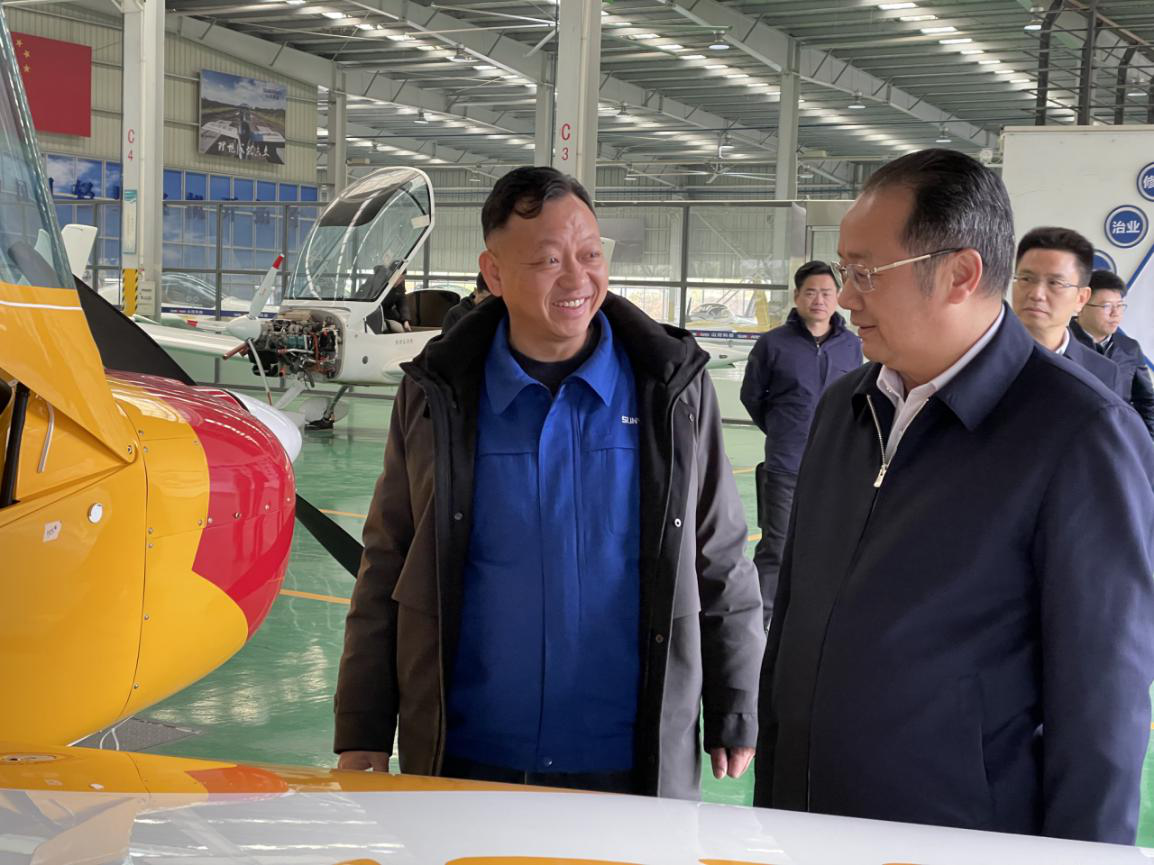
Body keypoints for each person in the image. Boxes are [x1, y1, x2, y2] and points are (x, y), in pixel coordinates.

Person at [754, 148, 1154, 845]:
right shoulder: (845, 406)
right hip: (805, 824)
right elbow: (791, 619)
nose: (845, 297)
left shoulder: (1079, 434)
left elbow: (1101, 707)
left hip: (956, 837)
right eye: (844, 271)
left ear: (961, 274)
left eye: (865, 273)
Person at [335, 166, 763, 799]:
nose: (577, 279)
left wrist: (735, 698)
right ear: (493, 273)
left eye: (590, 255)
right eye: (548, 260)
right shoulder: (438, 395)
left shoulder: (670, 391)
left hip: (630, 756)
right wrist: (363, 719)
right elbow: (388, 557)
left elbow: (718, 550)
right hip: (468, 752)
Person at [739, 261, 861, 629]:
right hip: (785, 464)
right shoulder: (773, 344)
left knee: (826, 545)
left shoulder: (851, 346)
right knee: (776, 546)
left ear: (837, 297)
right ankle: (759, 625)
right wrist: (781, 430)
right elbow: (752, 396)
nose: (819, 300)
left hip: (834, 466)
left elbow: (856, 397)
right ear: (797, 296)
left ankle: (809, 620)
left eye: (826, 293)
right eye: (811, 292)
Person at [1011, 227, 1124, 397]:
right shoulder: (979, 351)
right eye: (1026, 279)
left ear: (1081, 299)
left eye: (1055, 283)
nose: (1036, 294)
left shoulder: (1104, 373)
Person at [1072, 269, 1154, 439]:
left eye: (1120, 305)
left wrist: (1146, 443)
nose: (1115, 313)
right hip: (1075, 439)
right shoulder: (1061, 342)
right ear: (1081, 304)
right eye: (1106, 306)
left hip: (1118, 438)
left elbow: (1146, 402)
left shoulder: (1130, 348)